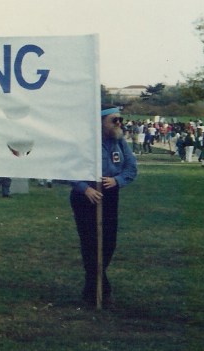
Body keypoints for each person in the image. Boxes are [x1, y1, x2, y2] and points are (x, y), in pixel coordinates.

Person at [69, 105, 137, 306]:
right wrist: (84, 188)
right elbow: (67, 169)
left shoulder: (120, 142)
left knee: (108, 243)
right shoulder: (84, 143)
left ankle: (93, 287)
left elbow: (131, 168)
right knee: (90, 243)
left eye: (120, 120)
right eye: (114, 120)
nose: (119, 124)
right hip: (86, 196)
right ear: (100, 122)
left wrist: (117, 180)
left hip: (109, 194)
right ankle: (101, 291)